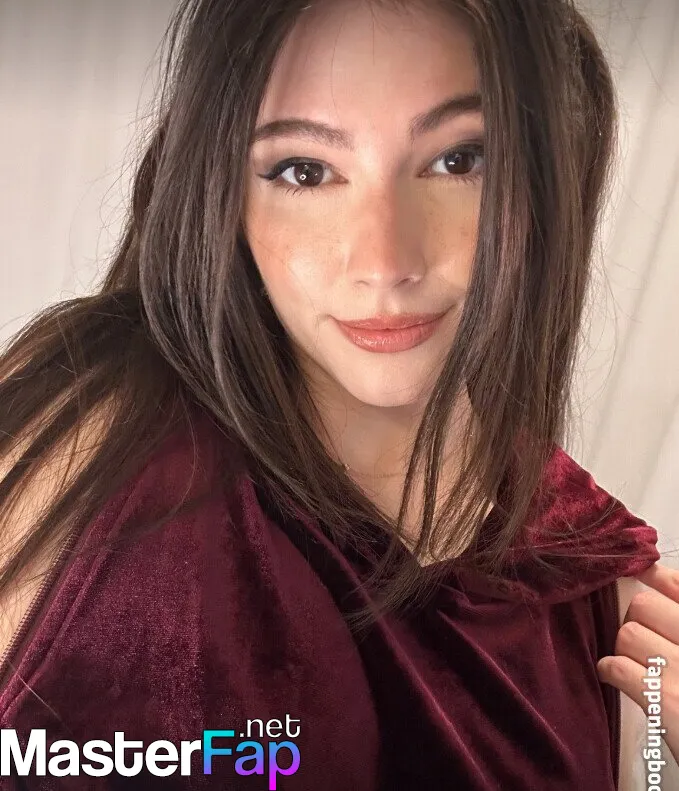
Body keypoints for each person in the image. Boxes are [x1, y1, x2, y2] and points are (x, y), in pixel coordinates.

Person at [0, 0, 675, 789]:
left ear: (546, 182)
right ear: (222, 194)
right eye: (304, 170)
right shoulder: (88, 433)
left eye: (461, 159)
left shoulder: (598, 587)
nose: (384, 262)